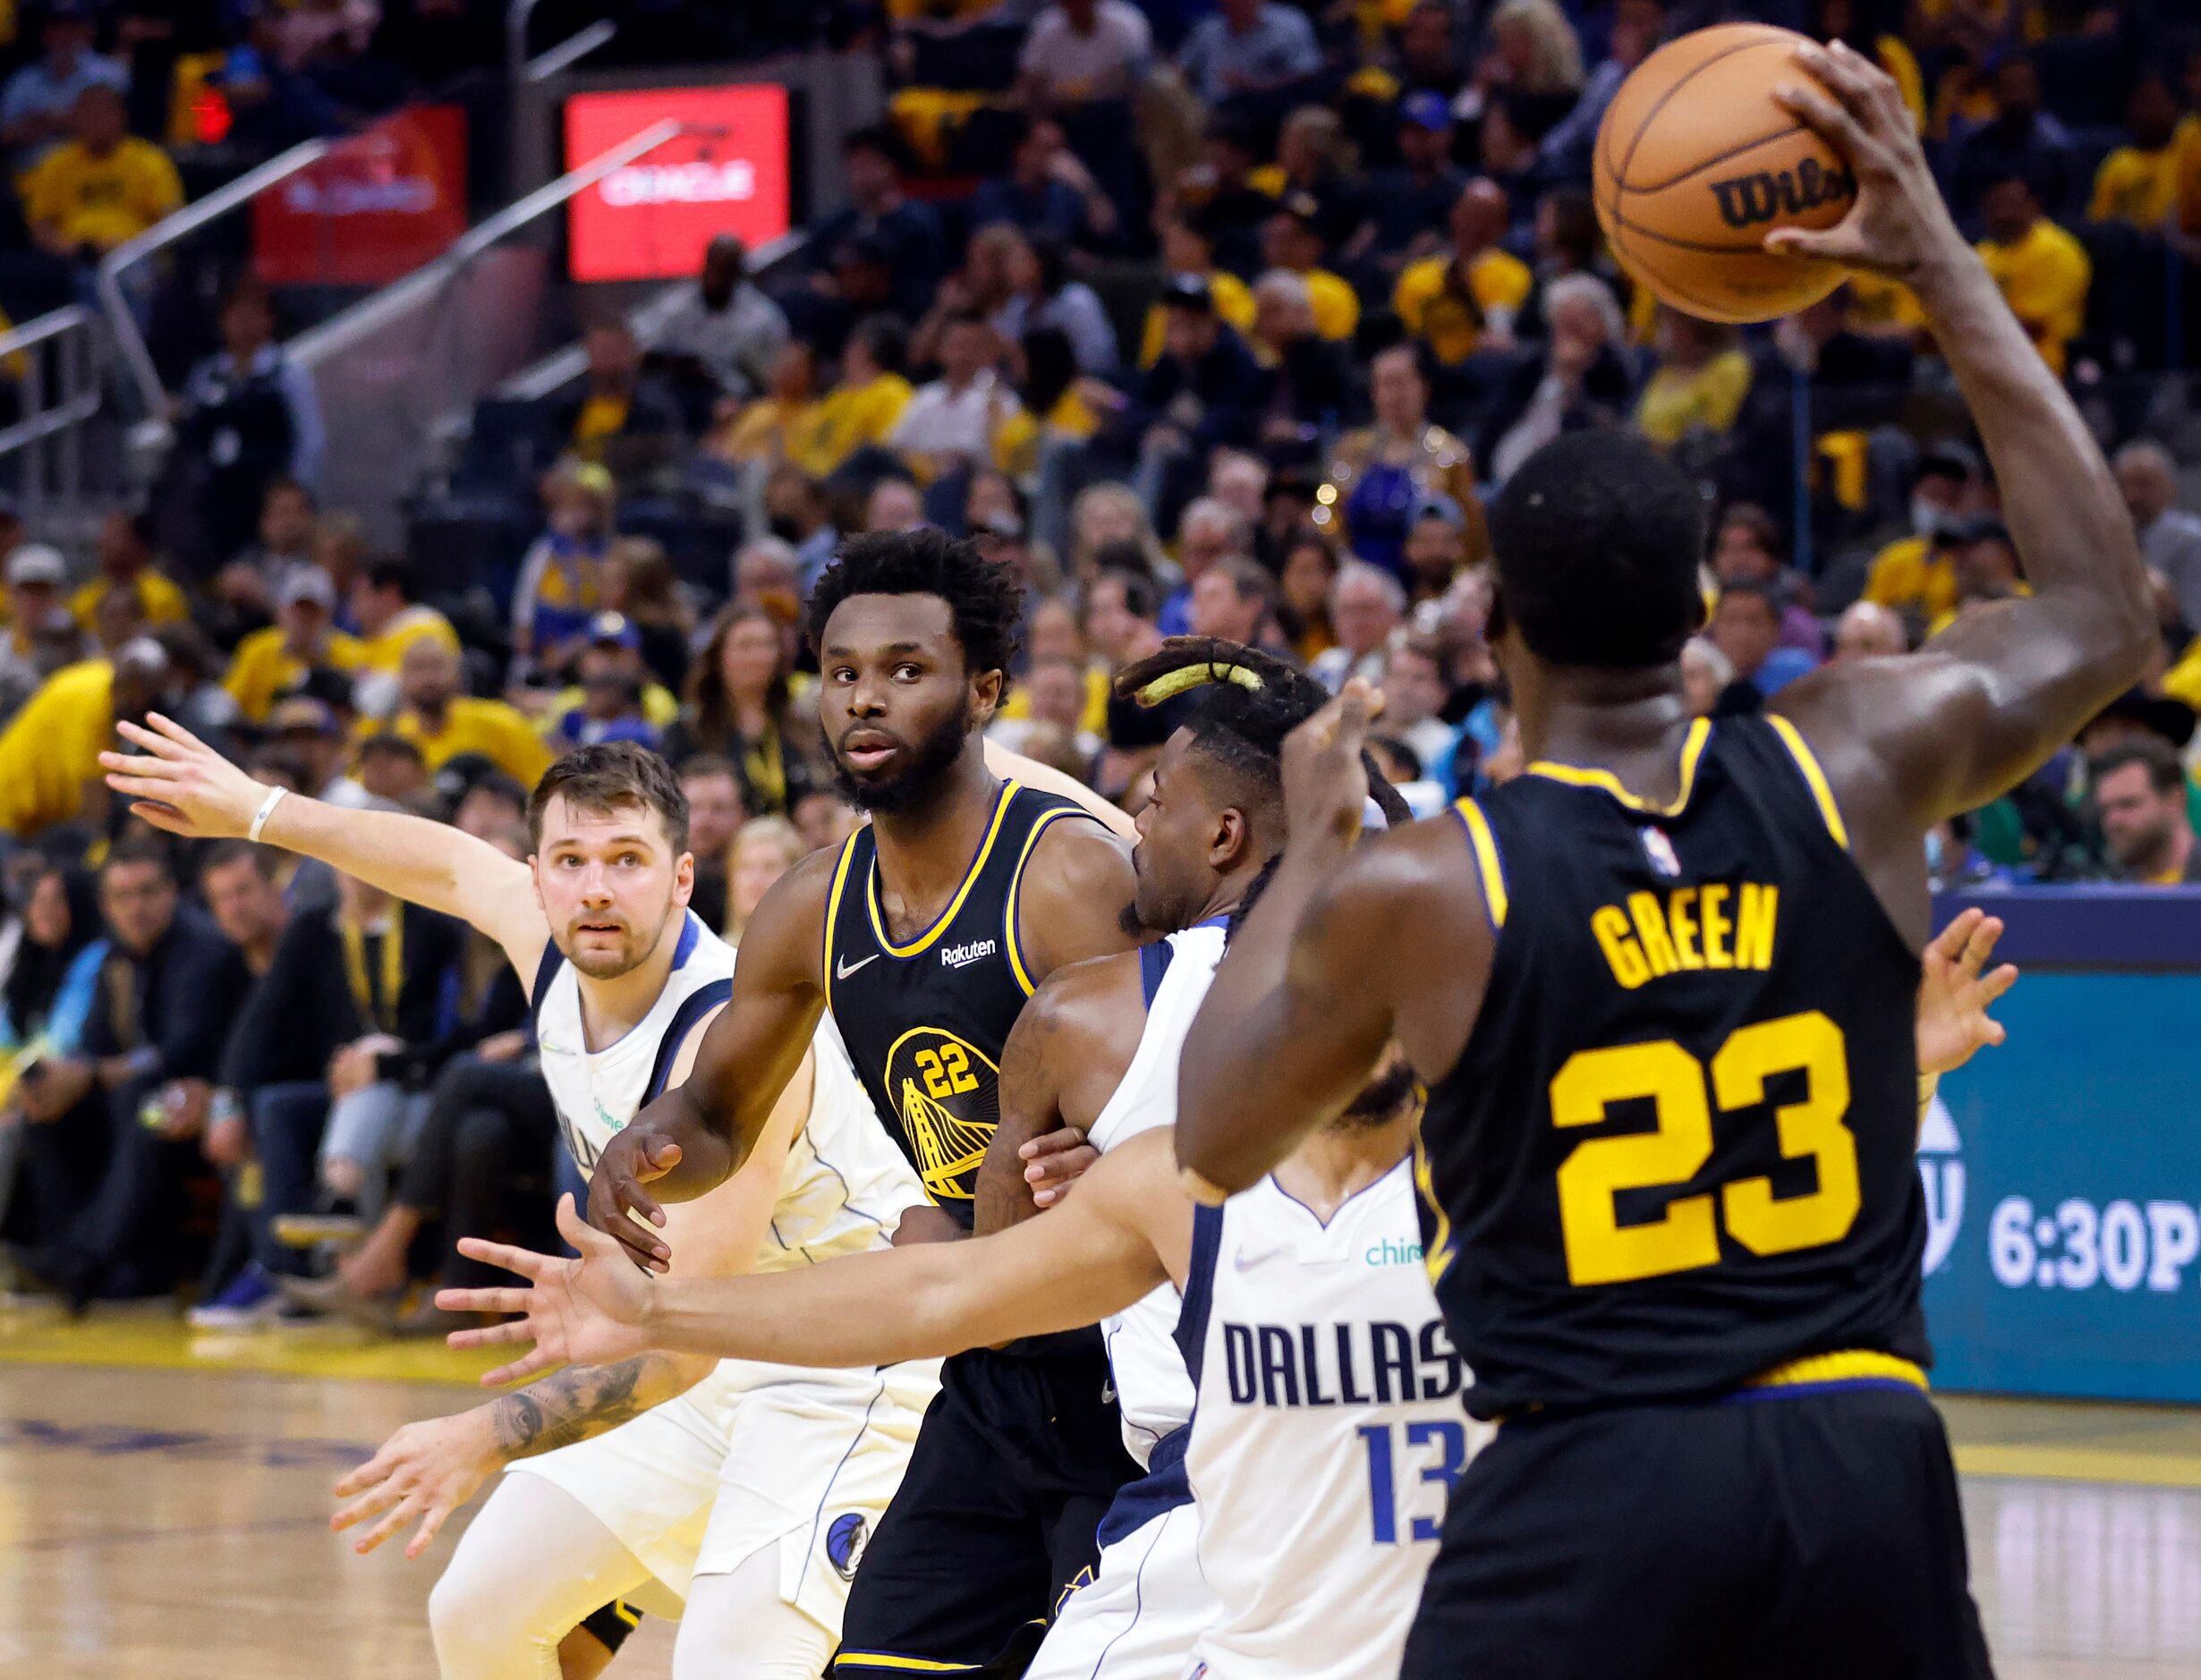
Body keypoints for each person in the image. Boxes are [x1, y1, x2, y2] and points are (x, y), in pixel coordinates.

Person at [1167, 40, 2154, 1679]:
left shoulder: (1432, 886)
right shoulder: (1851, 758)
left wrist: (1312, 846)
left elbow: (1211, 1137)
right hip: (1857, 1452)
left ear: (1494, 630)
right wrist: (1932, 254)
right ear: (1707, 614)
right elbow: (2108, 613)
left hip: (1590, 1473)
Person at [438, 765, 2019, 1680]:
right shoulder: (1176, 1183)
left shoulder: (1527, 1171)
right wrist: (665, 1317)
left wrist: (1897, 1064)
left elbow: (1749, 1184)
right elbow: (921, 1308)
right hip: (1203, 1624)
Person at [97, 727, 940, 1680]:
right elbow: (448, 865)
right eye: (571, 861)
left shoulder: (732, 1037)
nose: (595, 889)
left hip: (841, 1366)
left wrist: (484, 1434)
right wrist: (257, 810)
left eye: (627, 862)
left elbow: (685, 1338)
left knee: (728, 1664)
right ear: (537, 876)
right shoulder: (549, 938)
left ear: (682, 879)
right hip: (707, 1362)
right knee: (480, 1610)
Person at [581, 529, 1151, 1678]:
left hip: (1131, 1371)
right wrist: (642, 1152)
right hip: (986, 1364)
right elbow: (716, 1117)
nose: (864, 701)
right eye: (842, 674)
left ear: (983, 689)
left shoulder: (1068, 874)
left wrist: (1120, 1167)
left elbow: (1202, 1110)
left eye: (904, 670)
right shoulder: (810, 906)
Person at [9, 840, 249, 1309]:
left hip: (208, 1101)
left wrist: (92, 1075)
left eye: (148, 892)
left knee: (142, 1103)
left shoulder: (203, 950)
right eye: (123, 896)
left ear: (173, 892)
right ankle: (66, 1260)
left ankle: (95, 1261)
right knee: (48, 1107)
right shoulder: (114, 958)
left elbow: (176, 1054)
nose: (136, 907)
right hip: (143, 1098)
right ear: (105, 905)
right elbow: (96, 1044)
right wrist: (65, 1075)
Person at [169, 279, 325, 574]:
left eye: (253, 313)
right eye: (235, 314)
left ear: (269, 319)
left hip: (267, 495)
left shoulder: (288, 373)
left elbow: (311, 439)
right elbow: (195, 434)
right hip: (217, 499)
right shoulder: (207, 374)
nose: (243, 323)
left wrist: (294, 495)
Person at [1315, 344, 1486, 579]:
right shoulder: (1351, 449)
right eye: (1385, 384)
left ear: (1424, 388)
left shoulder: (1450, 455)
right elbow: (1327, 515)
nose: (1394, 395)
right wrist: (1345, 566)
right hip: (1357, 577)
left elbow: (1472, 535)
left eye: (1402, 383)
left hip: (1428, 580)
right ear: (1374, 393)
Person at [19, 82, 182, 263]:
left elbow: (171, 219)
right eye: (88, 114)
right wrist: (66, 248)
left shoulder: (149, 160)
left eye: (104, 113)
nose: (96, 122)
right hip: (72, 259)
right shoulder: (56, 162)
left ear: (121, 116)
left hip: (134, 257)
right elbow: (39, 224)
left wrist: (133, 246)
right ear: (75, 119)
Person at [1392, 179, 1533, 364]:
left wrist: (1467, 298)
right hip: (1428, 372)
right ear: (1454, 214)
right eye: (1469, 213)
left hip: (1480, 375)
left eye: (1485, 217)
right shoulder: (1417, 276)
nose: (1474, 225)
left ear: (1502, 226)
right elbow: (1407, 338)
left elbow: (1498, 338)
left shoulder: (1512, 275)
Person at [381, 638, 551, 788]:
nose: (428, 678)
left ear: (458, 674)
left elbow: (544, 787)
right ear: (402, 679)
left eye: (437, 666)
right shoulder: (399, 736)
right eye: (418, 668)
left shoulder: (501, 722)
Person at [647, 233, 790, 403]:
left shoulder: (762, 317)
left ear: (739, 272)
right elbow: (643, 346)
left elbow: (777, 377)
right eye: (713, 265)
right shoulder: (676, 305)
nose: (717, 275)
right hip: (679, 396)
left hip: (741, 400)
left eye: (726, 268)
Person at [1975, 172, 2090, 378]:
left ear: (2034, 206)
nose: (2002, 214)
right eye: (1994, 206)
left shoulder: (2056, 251)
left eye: (2011, 203)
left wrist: (1968, 325)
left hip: (2042, 365)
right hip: (1983, 360)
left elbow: (2032, 326)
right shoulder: (1982, 253)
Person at [224, 567, 361, 723]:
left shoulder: (351, 654)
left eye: (313, 612)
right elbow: (229, 703)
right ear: (281, 611)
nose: (304, 619)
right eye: (297, 610)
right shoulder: (257, 649)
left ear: (328, 615)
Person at [2113, 440, 2201, 632]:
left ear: (2170, 487)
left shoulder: (2193, 541)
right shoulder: (2103, 540)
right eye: (2122, 484)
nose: (2131, 495)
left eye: (2144, 484)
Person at [2092, 740, 2201, 886]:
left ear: (2175, 801)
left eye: (2128, 804)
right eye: (2105, 809)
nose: (2113, 821)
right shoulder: (2106, 892)